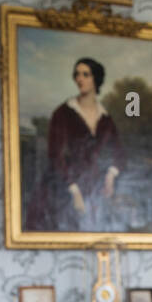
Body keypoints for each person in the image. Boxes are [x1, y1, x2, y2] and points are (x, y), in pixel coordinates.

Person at [24, 57, 126, 233]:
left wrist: (110, 175)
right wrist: (74, 190)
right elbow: (56, 155)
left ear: (96, 79)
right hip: (63, 185)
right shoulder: (63, 113)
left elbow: (119, 153)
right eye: (77, 74)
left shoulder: (106, 118)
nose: (80, 79)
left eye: (85, 74)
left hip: (94, 186)